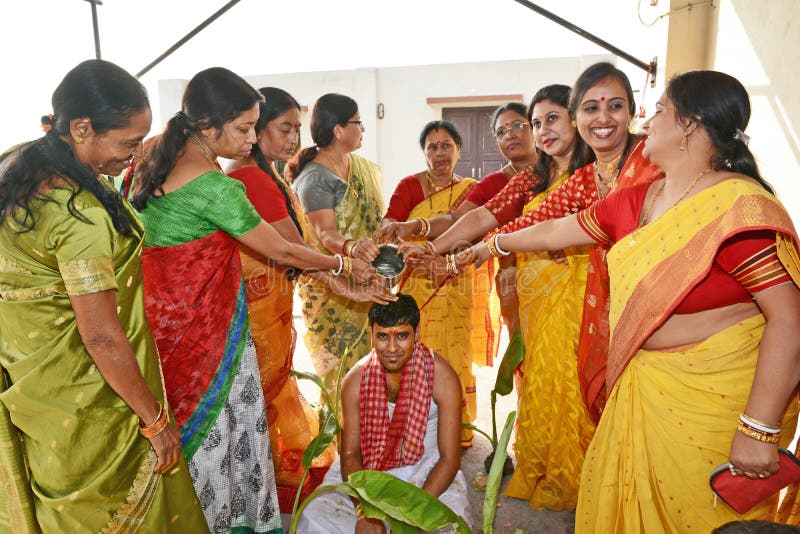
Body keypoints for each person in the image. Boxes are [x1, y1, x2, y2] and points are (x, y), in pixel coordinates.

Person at [465, 71, 800, 531]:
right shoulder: (643, 197)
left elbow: (789, 319)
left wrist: (758, 429)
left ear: (691, 124)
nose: (648, 119)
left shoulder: (739, 209)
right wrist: (494, 246)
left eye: (660, 110)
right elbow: (555, 229)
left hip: (715, 405)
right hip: (640, 390)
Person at [131, 68, 374, 533]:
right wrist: (341, 267)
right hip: (210, 337)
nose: (250, 138)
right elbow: (280, 248)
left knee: (182, 438)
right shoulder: (217, 187)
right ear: (207, 126)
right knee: (219, 439)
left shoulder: (147, 164)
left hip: (159, 336)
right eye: (244, 127)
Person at [0, 59, 207, 531]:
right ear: (80, 127)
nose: (134, 156)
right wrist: (154, 422)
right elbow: (101, 337)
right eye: (129, 143)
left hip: (38, 394)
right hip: (99, 402)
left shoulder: (16, 169)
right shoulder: (79, 214)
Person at [227, 87, 393, 510]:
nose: (293, 140)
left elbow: (299, 255)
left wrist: (349, 282)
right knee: (259, 406)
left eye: (297, 129)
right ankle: (251, 499)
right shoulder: (252, 178)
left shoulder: (269, 176)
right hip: (253, 311)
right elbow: (295, 250)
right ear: (255, 130)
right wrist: (345, 275)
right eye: (284, 129)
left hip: (275, 304)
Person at [297, 294, 471, 533]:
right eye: (382, 336)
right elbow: (350, 453)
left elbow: (450, 459)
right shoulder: (355, 381)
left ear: (417, 333)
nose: (391, 349)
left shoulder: (443, 377)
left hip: (427, 475)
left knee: (449, 527)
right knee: (314, 517)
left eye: (402, 336)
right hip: (367, 476)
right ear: (371, 335)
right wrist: (365, 512)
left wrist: (415, 511)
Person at [376, 119, 500, 448]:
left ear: (459, 150)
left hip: (456, 279)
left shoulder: (471, 190)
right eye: (432, 147)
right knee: (417, 350)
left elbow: (475, 228)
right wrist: (394, 230)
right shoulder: (409, 186)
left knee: (455, 351)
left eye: (447, 145)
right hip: (418, 280)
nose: (440, 152)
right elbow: (391, 222)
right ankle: (418, 426)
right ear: (424, 154)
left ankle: (455, 428)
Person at [375, 103, 539, 334]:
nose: (510, 134)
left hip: (574, 274)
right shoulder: (495, 185)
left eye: (518, 126)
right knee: (525, 353)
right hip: (515, 279)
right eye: (501, 132)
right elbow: (460, 220)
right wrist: (417, 230)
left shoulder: (566, 168)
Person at [286, 93, 385, 394]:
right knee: (342, 381)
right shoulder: (314, 178)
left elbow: (377, 221)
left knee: (375, 374)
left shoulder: (364, 168)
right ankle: (344, 440)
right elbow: (324, 233)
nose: (363, 129)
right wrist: (353, 247)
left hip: (369, 280)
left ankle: (372, 438)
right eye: (358, 122)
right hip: (329, 288)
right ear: (339, 130)